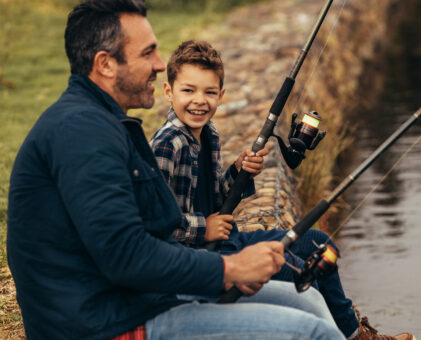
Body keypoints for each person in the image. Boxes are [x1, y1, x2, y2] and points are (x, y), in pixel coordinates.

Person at [6, 1, 347, 339]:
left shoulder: (104, 122)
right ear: (106, 64)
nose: (158, 64)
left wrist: (223, 271)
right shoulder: (82, 132)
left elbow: (151, 233)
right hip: (104, 323)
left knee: (312, 303)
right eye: (147, 53)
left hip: (141, 297)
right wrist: (229, 267)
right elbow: (126, 253)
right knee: (313, 334)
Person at [150, 40, 415, 340]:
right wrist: (203, 229)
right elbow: (155, 224)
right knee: (297, 271)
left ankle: (356, 335)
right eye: (188, 90)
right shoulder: (166, 145)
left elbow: (216, 201)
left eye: (209, 92)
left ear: (221, 96)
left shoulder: (208, 133)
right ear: (169, 92)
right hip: (198, 259)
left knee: (319, 243)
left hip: (228, 241)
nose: (199, 100)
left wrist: (237, 172)